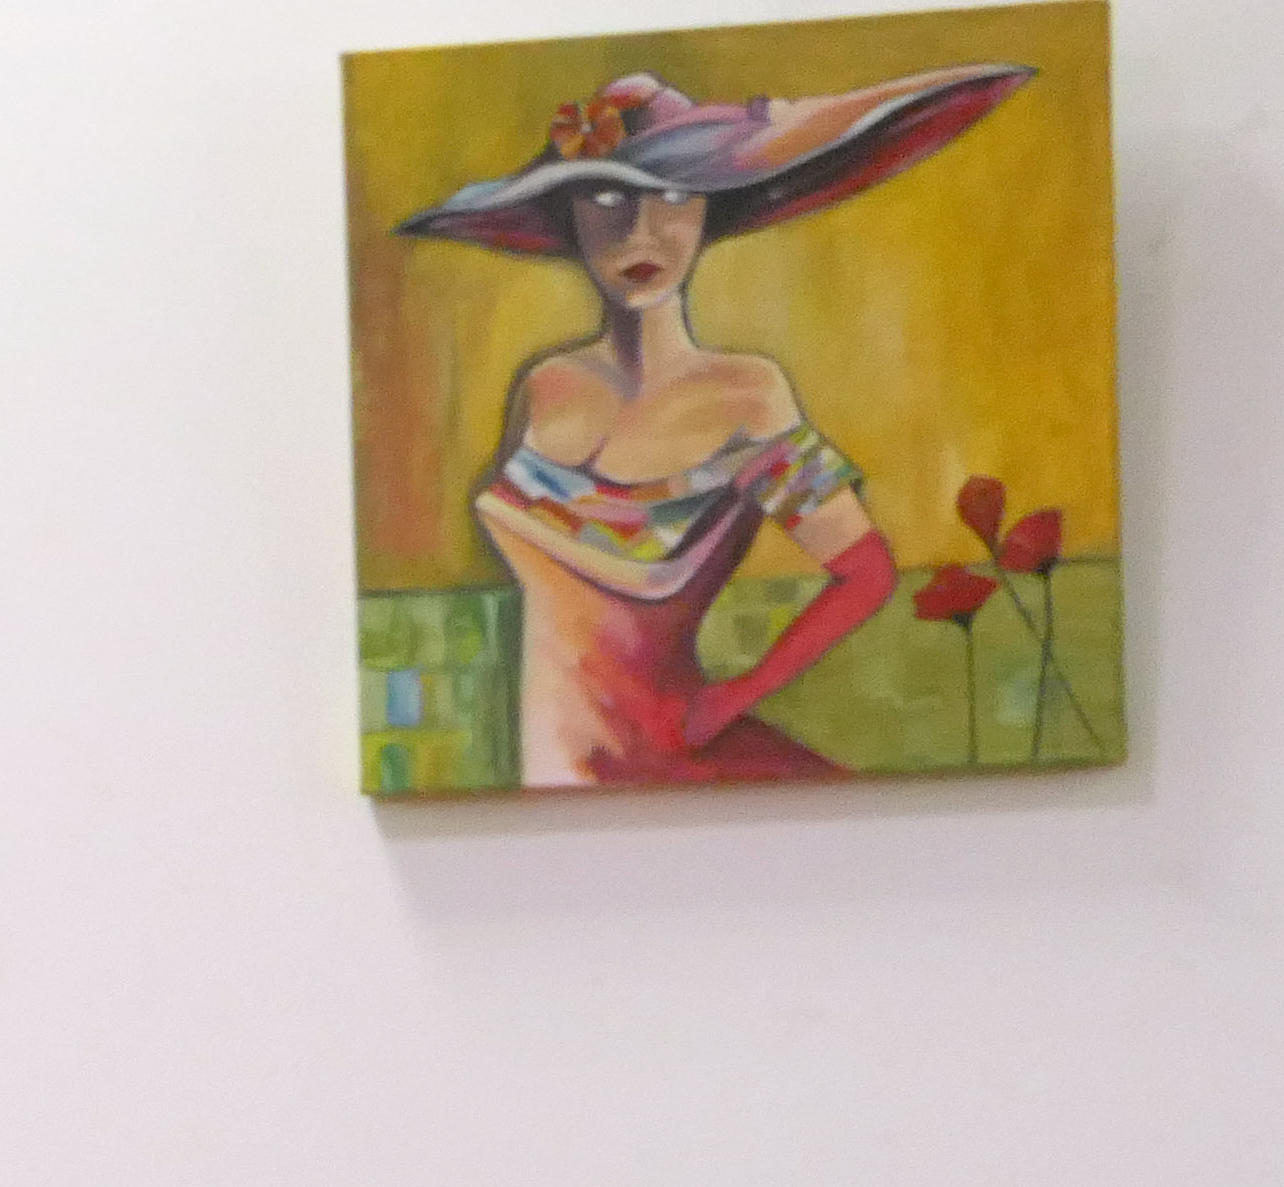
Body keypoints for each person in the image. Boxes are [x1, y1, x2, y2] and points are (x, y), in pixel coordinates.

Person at [403, 57, 1032, 785]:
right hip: (549, 773)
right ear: (569, 217)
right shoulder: (544, 388)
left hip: (664, 768)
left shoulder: (747, 399)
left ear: (709, 211)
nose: (641, 229)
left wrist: (728, 702)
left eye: (675, 196)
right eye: (604, 196)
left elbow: (866, 574)